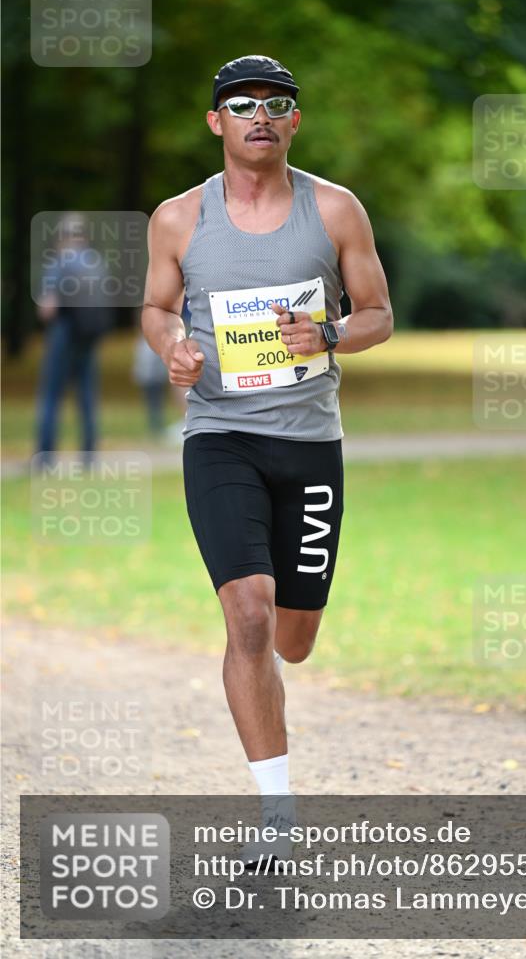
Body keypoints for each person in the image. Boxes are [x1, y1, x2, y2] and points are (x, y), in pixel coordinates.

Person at [141, 56, 392, 861]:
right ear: (216, 122)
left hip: (311, 444)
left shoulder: (335, 210)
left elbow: (380, 315)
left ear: (293, 120)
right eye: (240, 105)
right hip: (220, 435)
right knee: (247, 612)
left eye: (275, 104)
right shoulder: (179, 218)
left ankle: (288, 655)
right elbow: (153, 305)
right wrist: (173, 344)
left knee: (293, 638)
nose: (259, 115)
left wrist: (326, 333)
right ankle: (276, 812)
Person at [35, 212, 112, 458]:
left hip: (64, 331)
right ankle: (89, 452)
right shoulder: (96, 262)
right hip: (89, 335)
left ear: (62, 236)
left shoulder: (59, 262)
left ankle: (45, 454)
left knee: (51, 394)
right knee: (87, 394)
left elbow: (47, 308)